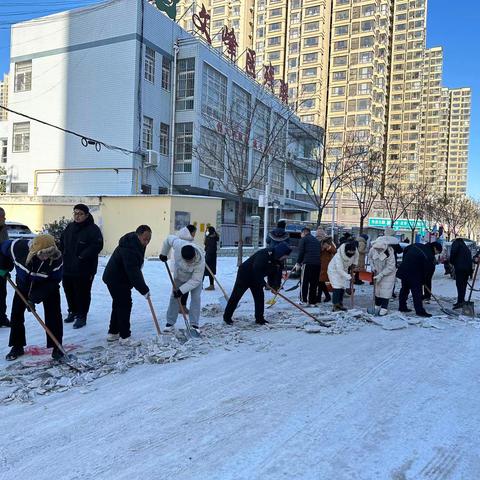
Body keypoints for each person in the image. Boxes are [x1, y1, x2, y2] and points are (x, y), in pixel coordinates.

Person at [0, 235, 64, 361]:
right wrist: (3, 268)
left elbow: (54, 281)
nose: (45, 257)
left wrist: (33, 298)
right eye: (42, 254)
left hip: (47, 286)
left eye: (49, 254)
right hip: (23, 284)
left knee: (54, 315)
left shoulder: (57, 260)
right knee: (16, 314)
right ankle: (17, 346)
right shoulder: (18, 248)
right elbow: (1, 249)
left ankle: (57, 347)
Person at [102, 225, 151, 345]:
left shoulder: (136, 243)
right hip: (116, 279)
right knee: (124, 305)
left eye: (149, 239)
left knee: (118, 304)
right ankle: (124, 336)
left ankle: (113, 332)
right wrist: (144, 289)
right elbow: (133, 271)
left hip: (118, 277)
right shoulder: (130, 248)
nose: (147, 242)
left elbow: (135, 269)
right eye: (145, 239)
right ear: (138, 235)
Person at [223, 243, 292, 325]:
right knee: (236, 296)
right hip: (245, 274)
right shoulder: (264, 254)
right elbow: (256, 270)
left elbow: (275, 274)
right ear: (280, 253)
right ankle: (227, 317)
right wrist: (264, 284)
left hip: (258, 277)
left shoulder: (278, 260)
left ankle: (259, 319)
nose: (285, 258)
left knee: (259, 297)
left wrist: (275, 286)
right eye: (285, 256)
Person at [60, 203, 104, 329]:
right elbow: (62, 241)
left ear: (86, 215)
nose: (77, 216)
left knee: (82, 292)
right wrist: (61, 252)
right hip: (68, 266)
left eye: (80, 214)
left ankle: (81, 315)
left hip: (85, 267)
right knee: (68, 289)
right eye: (75, 213)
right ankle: (72, 311)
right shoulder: (70, 227)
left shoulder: (93, 229)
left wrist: (82, 256)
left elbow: (97, 245)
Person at [159, 231, 205, 333]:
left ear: (194, 256)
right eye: (187, 261)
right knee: (174, 297)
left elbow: (196, 280)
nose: (189, 262)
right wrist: (164, 253)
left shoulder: (200, 261)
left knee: (196, 299)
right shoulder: (179, 244)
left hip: (194, 279)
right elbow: (168, 239)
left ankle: (194, 324)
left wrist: (181, 291)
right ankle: (170, 323)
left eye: (190, 260)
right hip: (179, 276)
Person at [396, 241, 443, 317]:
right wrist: (423, 280)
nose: (436, 254)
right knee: (417, 292)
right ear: (434, 248)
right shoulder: (429, 255)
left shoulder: (417, 245)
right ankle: (419, 311)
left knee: (404, 289)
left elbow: (406, 249)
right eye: (437, 252)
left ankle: (402, 307)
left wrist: (406, 261)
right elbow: (428, 272)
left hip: (404, 270)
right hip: (415, 274)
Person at [327, 241, 359, 312]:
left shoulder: (355, 251)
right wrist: (350, 277)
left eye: (352, 253)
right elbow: (339, 270)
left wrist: (354, 264)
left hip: (344, 269)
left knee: (343, 286)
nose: (351, 255)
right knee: (337, 286)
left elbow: (356, 258)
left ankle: (340, 304)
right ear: (345, 251)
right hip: (334, 270)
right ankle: (335, 305)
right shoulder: (338, 256)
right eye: (349, 253)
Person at [369, 237, 397, 316]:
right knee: (377, 289)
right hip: (377, 271)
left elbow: (390, 267)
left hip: (388, 274)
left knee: (385, 290)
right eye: (377, 248)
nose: (378, 250)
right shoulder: (372, 249)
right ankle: (377, 305)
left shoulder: (389, 252)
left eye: (380, 249)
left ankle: (384, 307)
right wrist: (372, 267)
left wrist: (381, 275)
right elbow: (370, 258)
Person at [295, 227, 321, 307]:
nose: (300, 235)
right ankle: (312, 302)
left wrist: (298, 263)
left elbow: (301, 252)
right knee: (314, 283)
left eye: (301, 233)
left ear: (304, 232)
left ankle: (303, 300)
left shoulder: (304, 239)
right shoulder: (316, 240)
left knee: (304, 282)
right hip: (317, 264)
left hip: (308, 264)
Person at [449, 237, 473, 309]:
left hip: (460, 268)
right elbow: (470, 259)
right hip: (466, 269)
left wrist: (451, 262)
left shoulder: (456, 244)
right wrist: (470, 272)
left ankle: (460, 301)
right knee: (463, 285)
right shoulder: (466, 248)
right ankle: (461, 300)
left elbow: (453, 252)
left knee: (459, 285)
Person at [317, 229, 336, 303]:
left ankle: (319, 297)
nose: (318, 237)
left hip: (325, 264)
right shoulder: (318, 242)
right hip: (319, 263)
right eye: (317, 236)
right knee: (320, 281)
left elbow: (335, 251)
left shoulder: (328, 242)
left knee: (320, 281)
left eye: (319, 235)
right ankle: (327, 296)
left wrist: (328, 247)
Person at [0, 207, 9, 327]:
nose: (4, 218)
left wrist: (7, 267)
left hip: (2, 269)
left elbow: (5, 250)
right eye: (2, 216)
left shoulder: (4, 229)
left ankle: (2, 318)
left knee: (2, 295)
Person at [204, 226, 219, 291]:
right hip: (210, 257)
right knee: (210, 272)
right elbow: (206, 246)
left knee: (206, 271)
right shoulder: (210, 238)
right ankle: (211, 285)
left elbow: (211, 249)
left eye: (207, 231)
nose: (206, 232)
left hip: (209, 258)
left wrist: (207, 259)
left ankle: (210, 285)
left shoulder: (211, 239)